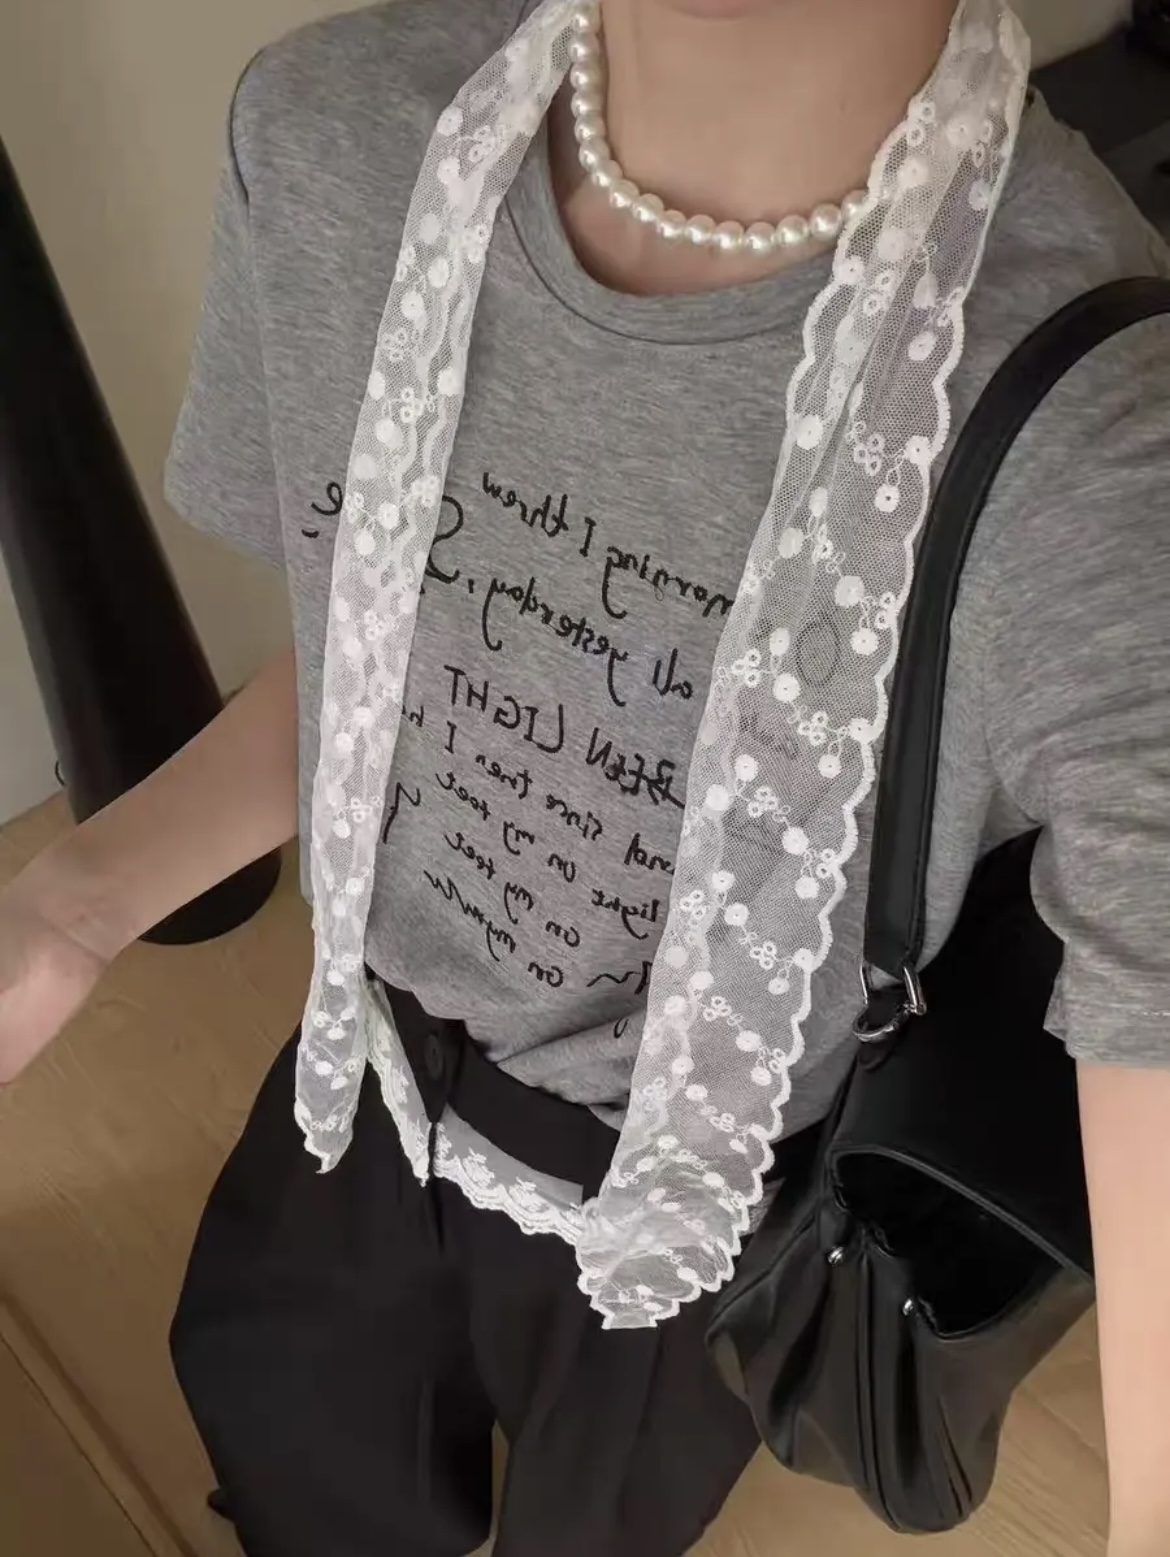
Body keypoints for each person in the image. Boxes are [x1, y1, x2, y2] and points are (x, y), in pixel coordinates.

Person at [2, 0, 1169, 1551]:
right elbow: (381, 666)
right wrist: (70, 906)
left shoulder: (1106, 435)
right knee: (285, 1422)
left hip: (696, 1199)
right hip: (360, 1066)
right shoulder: (326, 140)